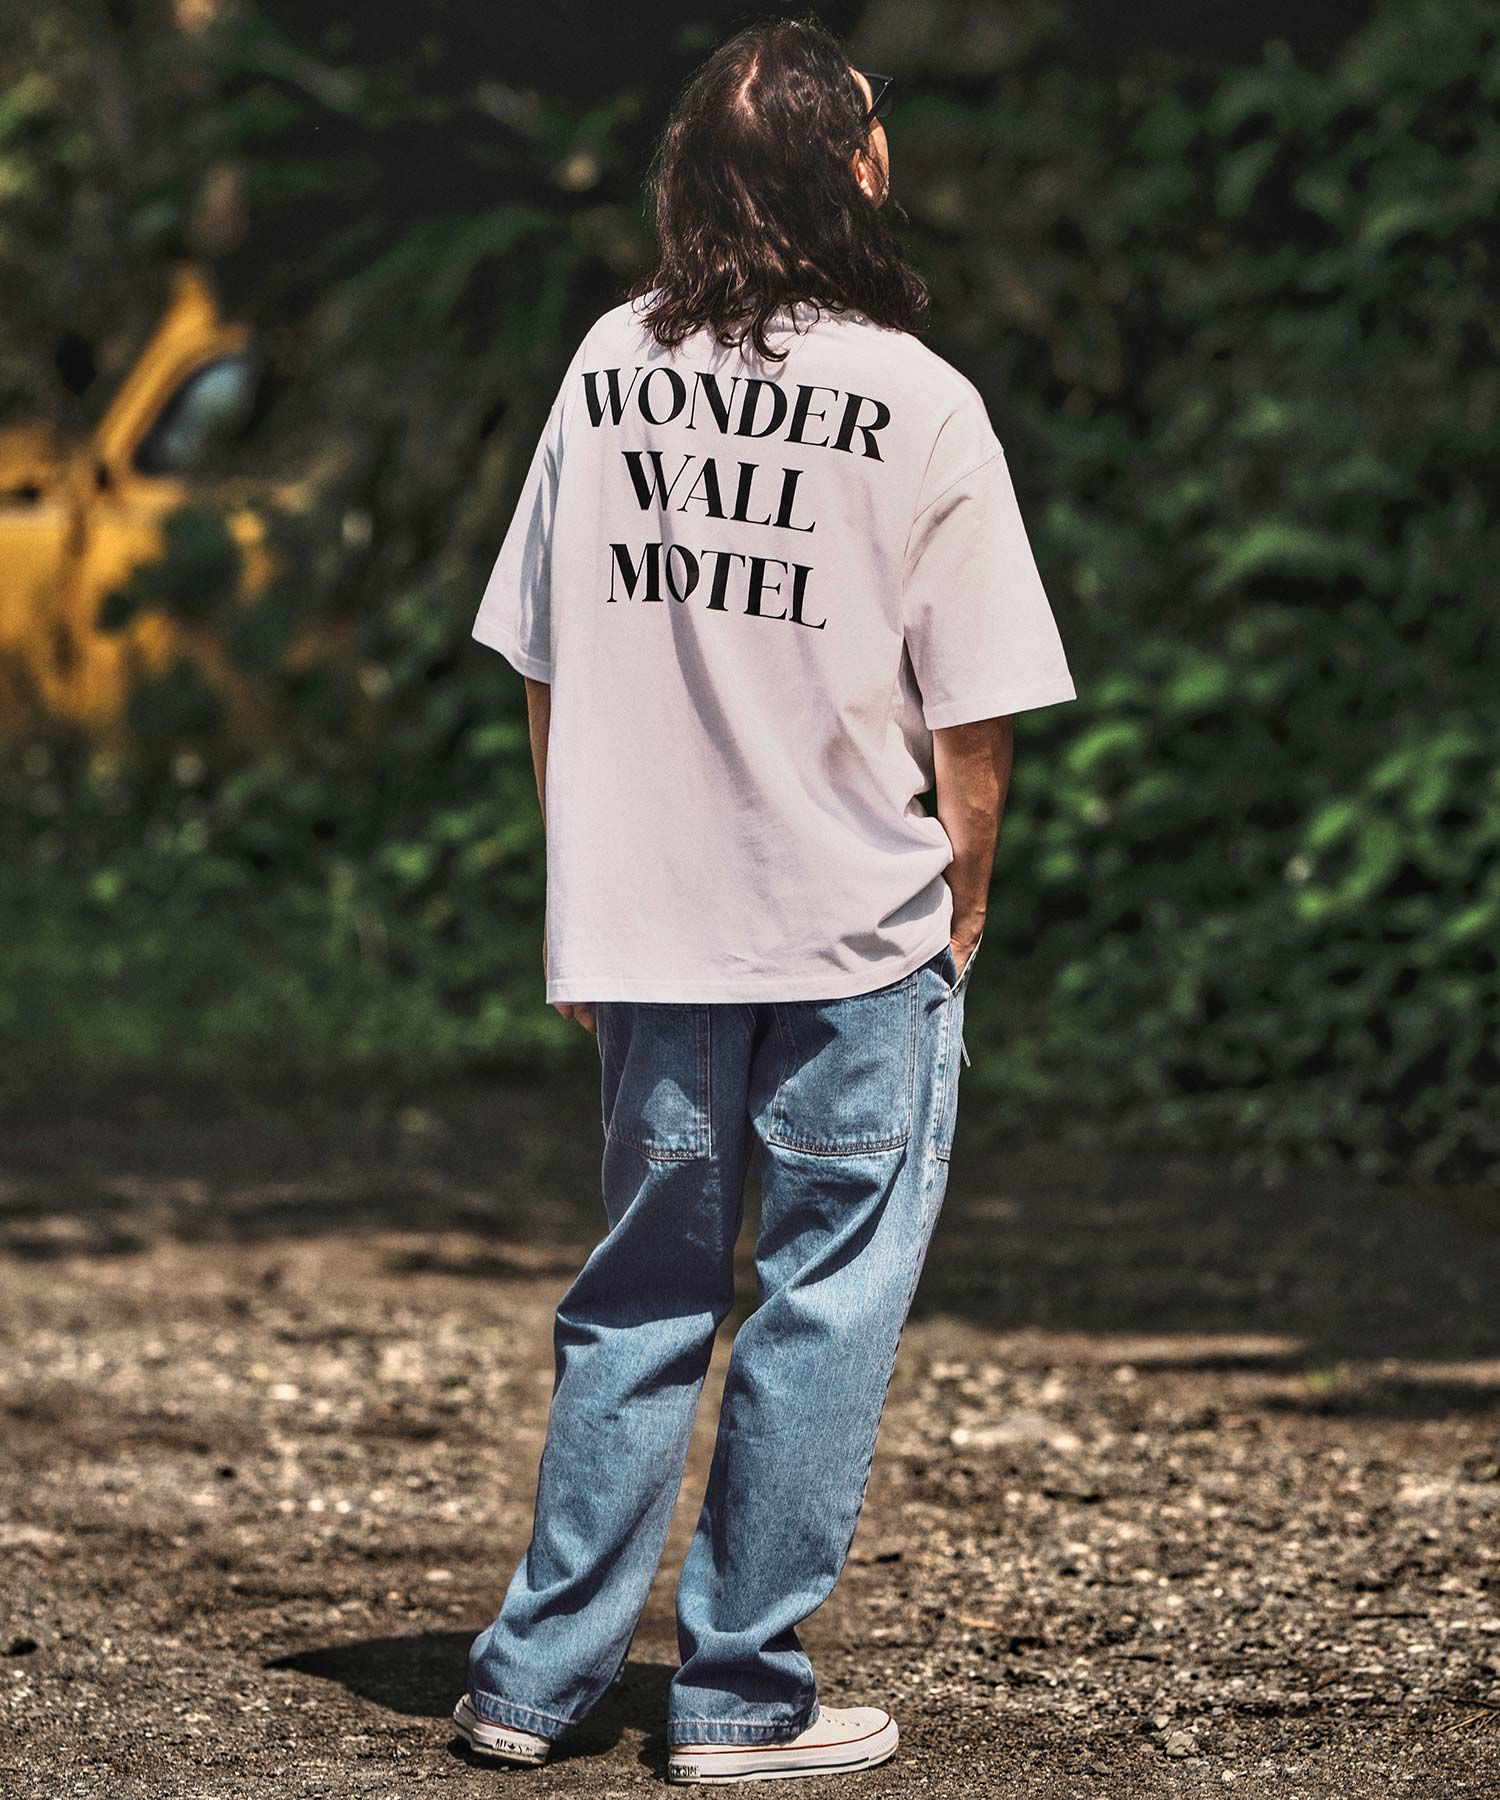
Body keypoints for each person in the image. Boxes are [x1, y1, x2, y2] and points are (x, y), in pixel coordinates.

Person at [455, 15, 1076, 1785]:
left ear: (695, 180)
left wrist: (583, 896)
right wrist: (962, 911)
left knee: (640, 1293)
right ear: (854, 171)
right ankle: (736, 1699)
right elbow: (973, 714)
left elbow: (547, 664)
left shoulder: (605, 365)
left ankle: (530, 1685)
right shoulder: (923, 400)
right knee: (823, 1301)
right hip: (851, 930)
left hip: (650, 928)